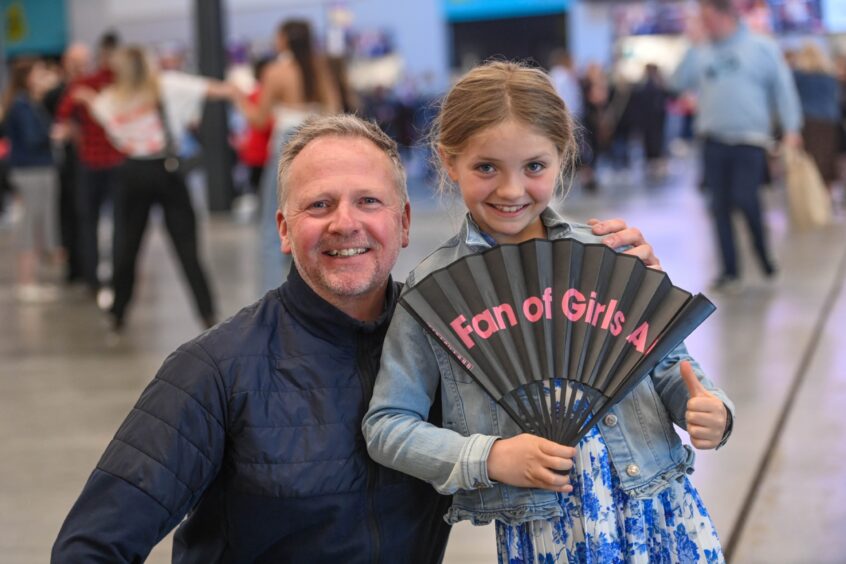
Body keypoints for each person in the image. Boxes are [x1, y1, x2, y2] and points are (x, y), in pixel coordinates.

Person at [52, 113, 662, 562]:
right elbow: (91, 548)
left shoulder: (462, 342)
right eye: (319, 205)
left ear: (400, 224)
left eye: (367, 201)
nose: (345, 222)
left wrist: (629, 284)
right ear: (285, 230)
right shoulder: (215, 370)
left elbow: (597, 384)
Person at [363, 61, 734, 562]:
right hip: (546, 535)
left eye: (534, 167)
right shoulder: (435, 295)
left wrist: (710, 409)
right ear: (449, 162)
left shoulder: (609, 257)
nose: (512, 190)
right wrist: (488, 457)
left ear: (563, 158)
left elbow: (669, 368)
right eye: (486, 167)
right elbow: (388, 424)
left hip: (657, 510)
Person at [74, 45, 234, 332]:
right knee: (187, 248)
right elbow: (218, 90)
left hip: (133, 172)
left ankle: (118, 313)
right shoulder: (168, 85)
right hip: (167, 170)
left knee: (127, 246)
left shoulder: (112, 98)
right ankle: (207, 312)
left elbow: (101, 114)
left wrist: (87, 99)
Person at [671, 0, 802, 292]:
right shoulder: (701, 50)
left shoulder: (761, 48)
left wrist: (792, 128)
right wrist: (691, 45)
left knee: (746, 199)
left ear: (724, 15)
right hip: (713, 140)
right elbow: (678, 82)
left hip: (750, 141)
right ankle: (730, 271)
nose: (703, 24)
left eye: (706, 18)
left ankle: (763, 255)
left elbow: (783, 89)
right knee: (718, 207)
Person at [234, 19, 340, 293]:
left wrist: (237, 98)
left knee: (273, 224)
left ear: (284, 40)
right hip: (318, 142)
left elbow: (258, 120)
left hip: (286, 144)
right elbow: (335, 110)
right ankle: (319, 290)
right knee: (317, 219)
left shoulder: (276, 71)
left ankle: (271, 298)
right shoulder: (320, 67)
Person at [55, 32, 125, 299]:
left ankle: (95, 279)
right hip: (105, 162)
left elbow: (63, 118)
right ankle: (104, 278)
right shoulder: (106, 84)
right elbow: (64, 118)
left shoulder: (90, 85)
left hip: (100, 162)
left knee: (94, 223)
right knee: (107, 223)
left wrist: (78, 134)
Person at [4, 58, 63, 302]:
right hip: (30, 171)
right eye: (40, 74)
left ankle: (33, 281)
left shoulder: (31, 103)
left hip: (37, 169)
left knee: (38, 224)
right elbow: (32, 137)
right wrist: (52, 134)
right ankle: (26, 282)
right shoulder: (21, 105)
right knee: (29, 225)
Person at [791, 42, 841, 192]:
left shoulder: (799, 75)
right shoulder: (830, 76)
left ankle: (812, 198)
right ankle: (825, 198)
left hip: (808, 121)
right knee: (826, 161)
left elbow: (792, 100)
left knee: (809, 162)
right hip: (830, 121)